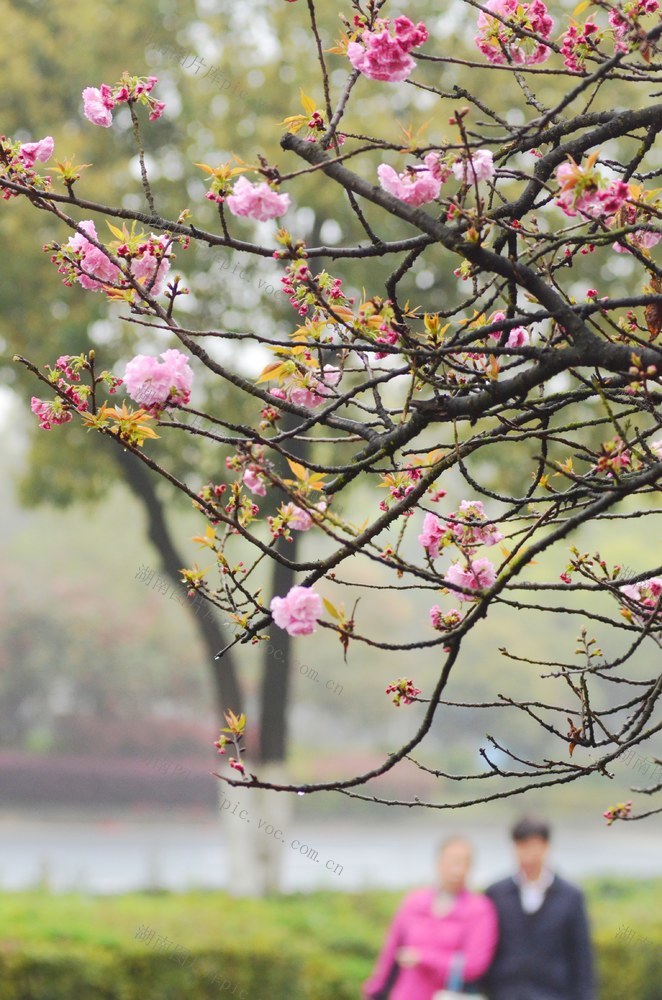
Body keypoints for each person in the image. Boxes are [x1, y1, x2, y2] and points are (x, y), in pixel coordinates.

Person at [363, 836, 498, 999]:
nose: (458, 870)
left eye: (464, 863)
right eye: (453, 862)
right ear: (439, 862)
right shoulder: (414, 902)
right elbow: (390, 953)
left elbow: (474, 967)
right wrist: (373, 990)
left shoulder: (479, 909)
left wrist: (423, 958)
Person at [481, 816, 595, 1000]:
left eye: (534, 845)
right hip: (505, 993)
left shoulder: (570, 896)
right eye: (522, 846)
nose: (528, 854)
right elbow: (486, 948)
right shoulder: (496, 893)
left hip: (554, 994)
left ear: (546, 847)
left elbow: (582, 958)